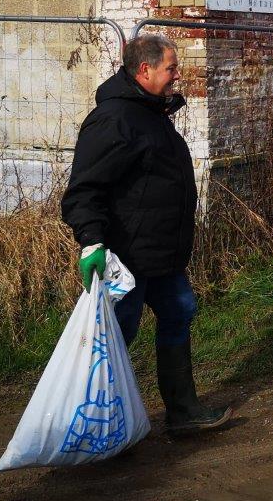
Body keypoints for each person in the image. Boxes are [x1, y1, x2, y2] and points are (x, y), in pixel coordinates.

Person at [62, 34, 232, 435]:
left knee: (179, 311)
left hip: (162, 254)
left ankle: (183, 412)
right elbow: (85, 190)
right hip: (129, 257)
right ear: (145, 70)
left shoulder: (150, 112)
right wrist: (91, 241)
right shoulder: (115, 120)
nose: (177, 76)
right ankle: (100, 427)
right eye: (171, 68)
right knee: (119, 333)